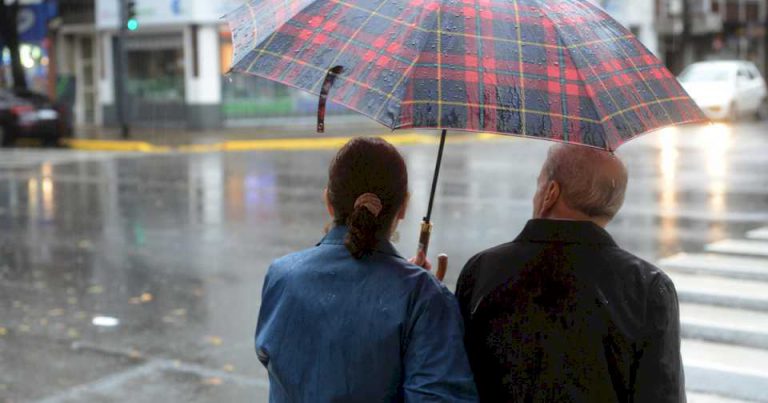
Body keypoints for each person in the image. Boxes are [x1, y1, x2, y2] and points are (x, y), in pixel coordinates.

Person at [456, 144, 685, 402]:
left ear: (550, 193)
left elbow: (452, 378)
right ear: (614, 204)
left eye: (539, 183)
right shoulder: (647, 287)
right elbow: (662, 393)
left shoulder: (482, 270)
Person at [256, 137, 478, 402]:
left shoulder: (281, 277)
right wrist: (424, 294)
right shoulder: (423, 297)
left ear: (328, 201)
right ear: (403, 207)